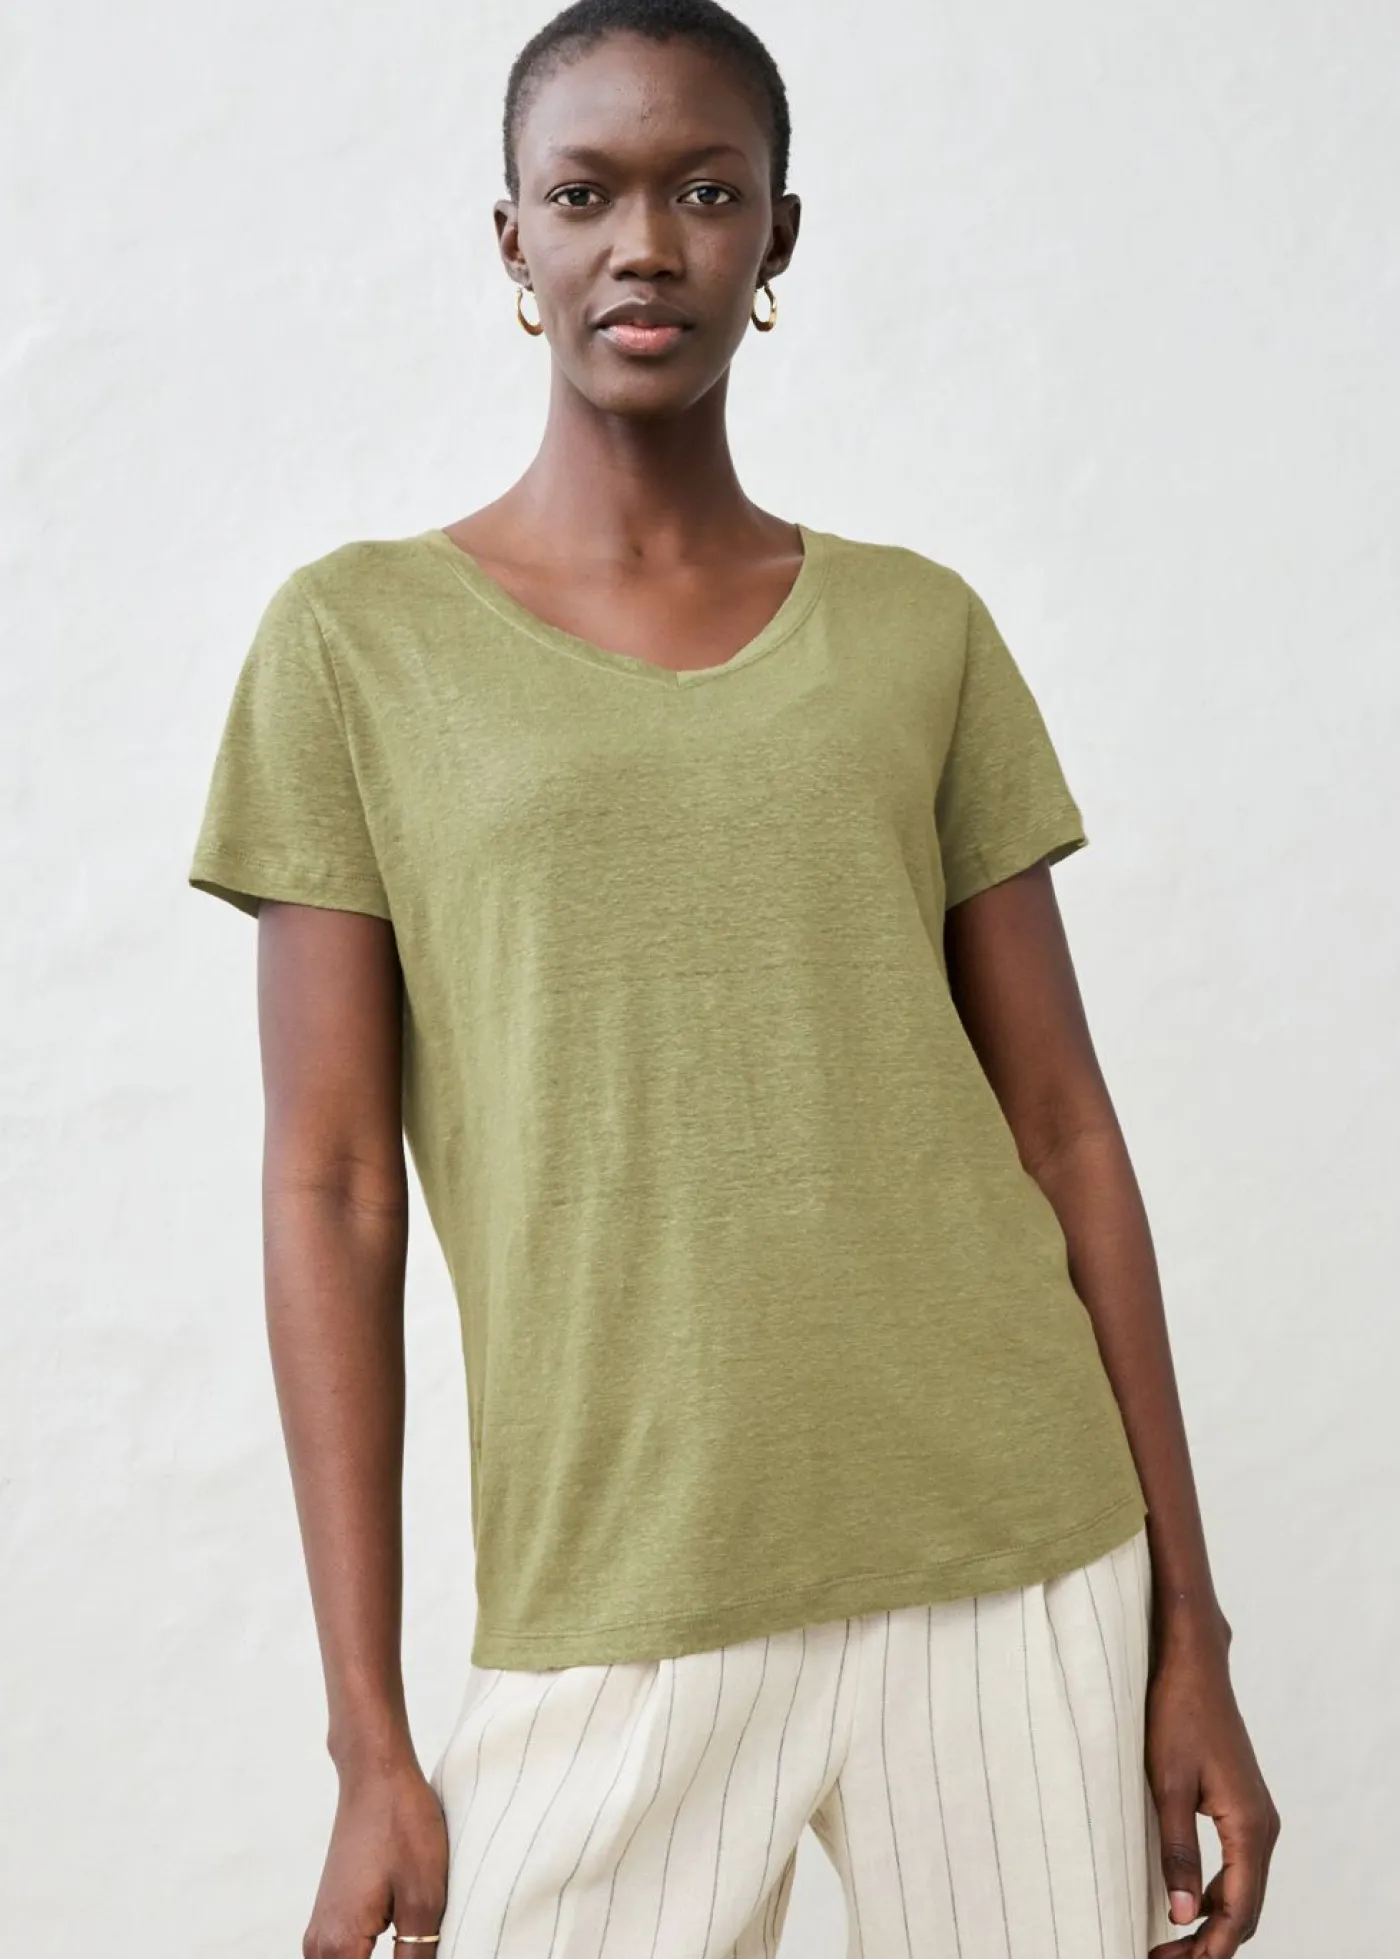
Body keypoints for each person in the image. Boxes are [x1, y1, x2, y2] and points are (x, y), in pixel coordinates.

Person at [188, 2, 1280, 1955]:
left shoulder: (919, 631)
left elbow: (1063, 1130)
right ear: (510, 238)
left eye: (705, 192)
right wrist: (369, 1739)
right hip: (620, 1588)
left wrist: (1189, 1631)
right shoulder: (352, 645)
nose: (644, 243)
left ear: (777, 235)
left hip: (1012, 1559)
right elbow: (330, 1182)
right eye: (583, 194)